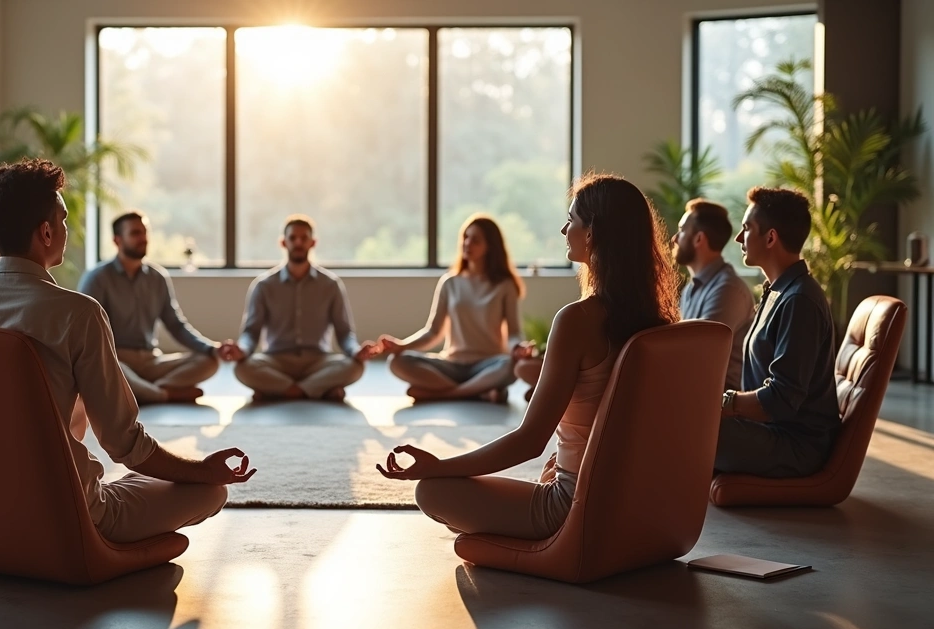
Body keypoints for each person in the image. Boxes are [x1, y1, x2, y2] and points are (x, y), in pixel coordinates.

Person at [0, 159, 254, 543]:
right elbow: (124, 443)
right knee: (211, 491)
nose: (66, 230)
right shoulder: (78, 312)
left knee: (76, 406)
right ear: (45, 232)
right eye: (63, 220)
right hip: (66, 512)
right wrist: (202, 470)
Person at [377, 174, 679, 540]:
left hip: (576, 509)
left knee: (431, 491)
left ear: (592, 233)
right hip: (642, 507)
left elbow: (528, 441)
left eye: (571, 220)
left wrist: (440, 466)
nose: (563, 229)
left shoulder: (577, 320)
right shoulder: (662, 324)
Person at [716, 187, 841, 478]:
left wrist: (724, 402)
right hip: (768, 431)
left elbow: (781, 398)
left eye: (746, 228)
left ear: (770, 237)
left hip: (795, 445)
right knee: (687, 416)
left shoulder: (800, 300)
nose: (738, 238)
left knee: (691, 423)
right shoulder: (779, 290)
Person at [225, 214, 379, 402]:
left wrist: (356, 351)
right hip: (275, 360)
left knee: (355, 367)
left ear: (313, 243)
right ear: (283, 243)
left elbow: (344, 333)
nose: (298, 242)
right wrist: (242, 350)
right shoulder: (264, 285)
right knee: (242, 368)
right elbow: (251, 332)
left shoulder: (330, 284)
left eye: (303, 238)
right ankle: (318, 390)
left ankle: (278, 391)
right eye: (292, 238)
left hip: (318, 361)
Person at [380, 214, 529, 403]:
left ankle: (446, 394)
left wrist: (517, 349)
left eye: (475, 240)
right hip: (451, 365)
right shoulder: (449, 282)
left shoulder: (504, 285)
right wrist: (402, 346)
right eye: (465, 237)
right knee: (396, 361)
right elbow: (433, 332)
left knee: (511, 366)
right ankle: (479, 391)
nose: (467, 243)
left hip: (488, 364)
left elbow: (514, 332)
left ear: (490, 247)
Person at [78, 212, 223, 404]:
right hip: (115, 359)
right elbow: (87, 332)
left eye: (145, 232)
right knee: (103, 368)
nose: (143, 239)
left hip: (151, 360)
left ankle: (145, 390)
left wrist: (211, 349)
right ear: (117, 240)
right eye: (136, 233)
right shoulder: (97, 278)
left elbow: (176, 326)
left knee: (209, 362)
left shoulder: (157, 278)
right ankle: (164, 394)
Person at [672, 198, 755, 390]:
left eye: (682, 229)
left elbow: (700, 355)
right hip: (692, 393)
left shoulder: (727, 290)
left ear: (699, 239)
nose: (675, 238)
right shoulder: (691, 289)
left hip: (716, 405)